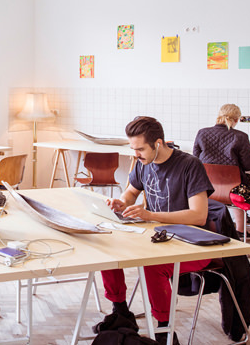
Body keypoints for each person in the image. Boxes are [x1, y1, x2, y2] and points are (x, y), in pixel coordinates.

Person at [96, 116, 215, 344]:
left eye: (140, 149)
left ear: (158, 143)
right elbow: (131, 192)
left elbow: (199, 216)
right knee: (108, 249)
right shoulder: (143, 164)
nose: (136, 155)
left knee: (153, 264)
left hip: (190, 242)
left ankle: (164, 329)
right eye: (133, 149)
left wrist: (150, 215)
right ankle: (120, 310)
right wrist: (122, 203)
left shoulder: (190, 165)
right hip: (157, 236)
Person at [193, 104, 250, 237]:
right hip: (233, 190)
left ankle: (211, 227)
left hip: (206, 188)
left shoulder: (202, 133)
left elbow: (195, 159)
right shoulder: (241, 136)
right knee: (242, 186)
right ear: (236, 119)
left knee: (235, 186)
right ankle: (241, 231)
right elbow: (248, 166)